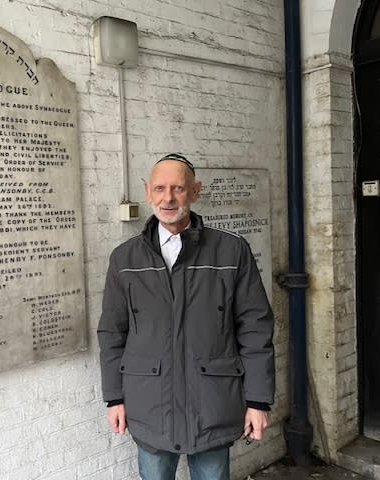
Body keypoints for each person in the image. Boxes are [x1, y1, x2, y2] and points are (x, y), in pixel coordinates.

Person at [97, 154, 275, 480]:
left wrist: (258, 401)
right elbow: (112, 333)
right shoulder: (124, 259)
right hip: (150, 404)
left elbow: (255, 327)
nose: (168, 198)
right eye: (160, 188)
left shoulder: (231, 251)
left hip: (213, 404)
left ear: (195, 191)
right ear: (147, 191)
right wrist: (114, 398)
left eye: (178, 188)